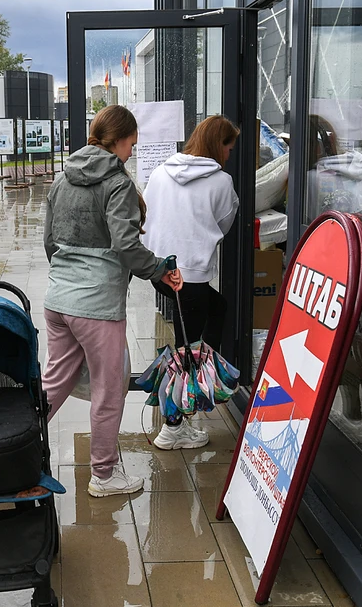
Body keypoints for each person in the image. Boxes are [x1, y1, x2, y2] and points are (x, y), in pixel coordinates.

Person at [43, 104, 184, 498]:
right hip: (97, 307)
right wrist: (159, 269)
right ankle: (103, 475)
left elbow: (50, 242)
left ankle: (17, 443)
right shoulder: (117, 184)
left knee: (54, 381)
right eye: (131, 145)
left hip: (58, 301)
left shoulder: (62, 178)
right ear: (120, 139)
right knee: (109, 392)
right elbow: (125, 245)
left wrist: (68, 276)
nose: (131, 152)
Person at [141, 114, 240, 450]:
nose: (229, 154)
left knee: (216, 311)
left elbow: (147, 214)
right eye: (228, 146)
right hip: (191, 278)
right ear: (217, 145)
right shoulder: (221, 182)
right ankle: (172, 426)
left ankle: (199, 375)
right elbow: (224, 224)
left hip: (161, 271)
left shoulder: (159, 173)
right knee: (185, 348)